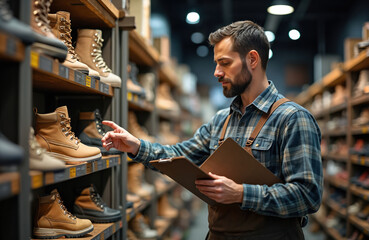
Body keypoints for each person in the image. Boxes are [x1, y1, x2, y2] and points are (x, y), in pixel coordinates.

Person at [102, 20, 323, 240]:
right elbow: (179, 156)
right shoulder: (221, 121)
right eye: (216, 63)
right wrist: (137, 145)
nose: (216, 72)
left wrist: (241, 193)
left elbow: (307, 196)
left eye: (225, 63)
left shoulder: (293, 118)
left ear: (252, 59)